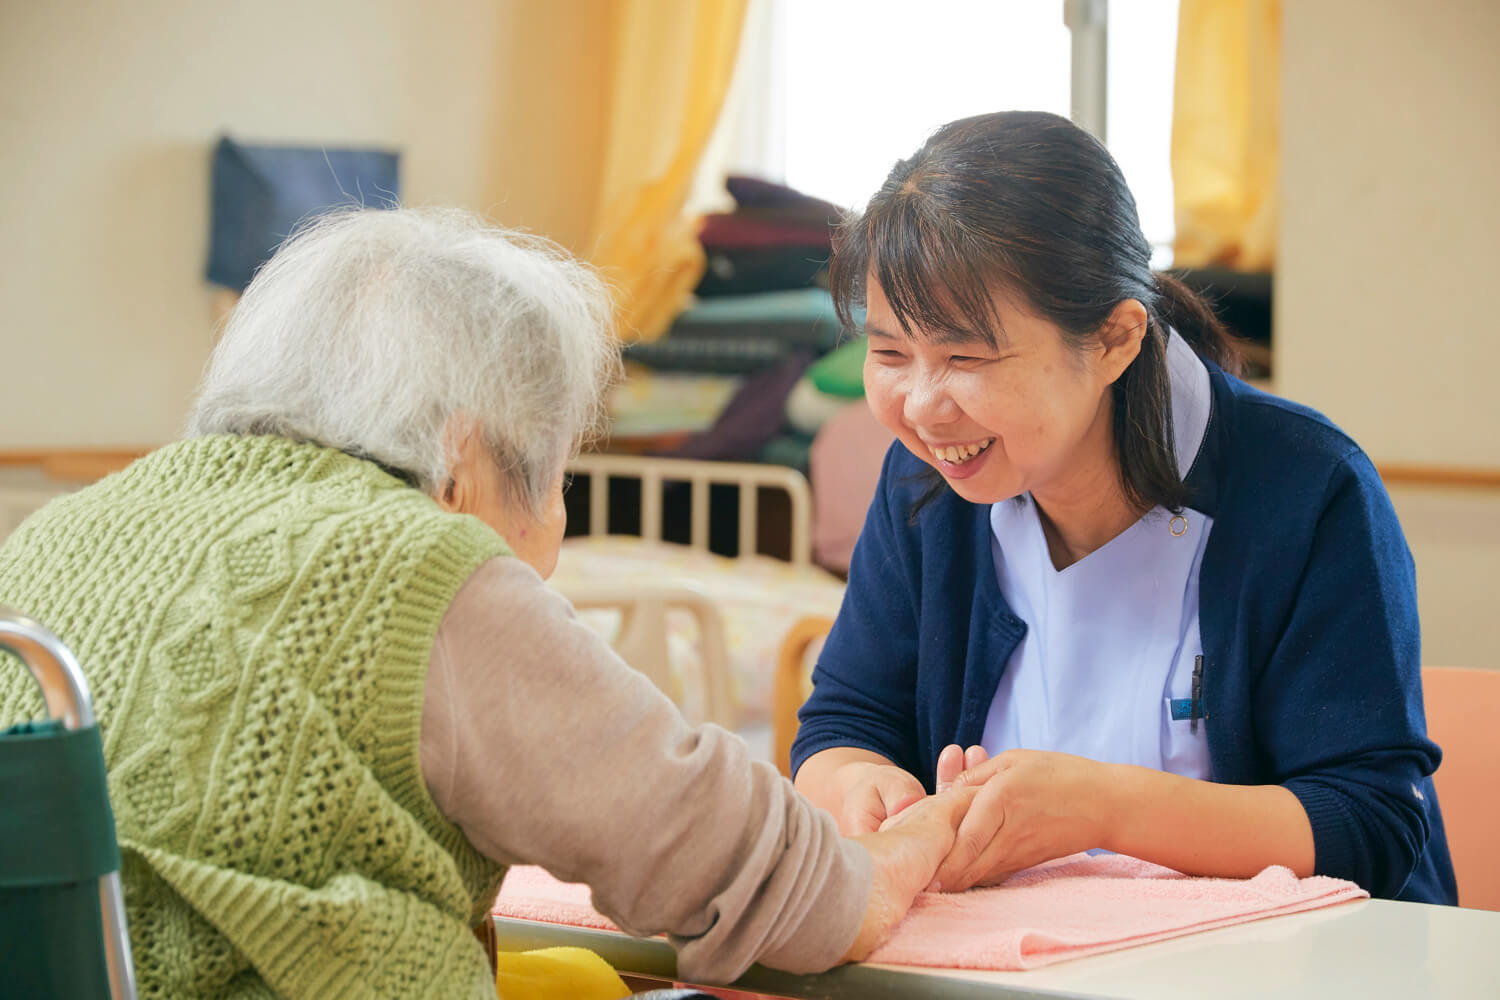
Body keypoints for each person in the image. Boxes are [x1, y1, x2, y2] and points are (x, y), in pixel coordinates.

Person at [0, 207, 972, 999]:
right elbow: (746, 867)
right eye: (556, 477)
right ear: (465, 461)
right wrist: (914, 844)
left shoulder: (61, 531)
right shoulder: (422, 563)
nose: (553, 521)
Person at [790, 111, 1457, 905]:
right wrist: (864, 787)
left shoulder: (1308, 489)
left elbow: (1370, 825)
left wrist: (1102, 809)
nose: (924, 407)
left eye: (966, 356)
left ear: (1114, 338)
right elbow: (842, 723)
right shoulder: (926, 485)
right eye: (891, 352)